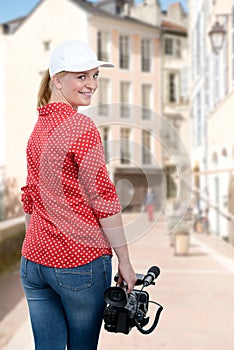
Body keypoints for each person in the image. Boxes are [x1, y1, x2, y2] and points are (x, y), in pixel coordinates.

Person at [20, 40, 136, 350]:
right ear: (57, 79)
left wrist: (40, 245)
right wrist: (124, 261)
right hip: (78, 263)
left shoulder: (39, 127)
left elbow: (30, 198)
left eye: (95, 75)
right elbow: (103, 199)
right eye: (81, 76)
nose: (92, 85)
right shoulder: (80, 126)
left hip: (34, 263)